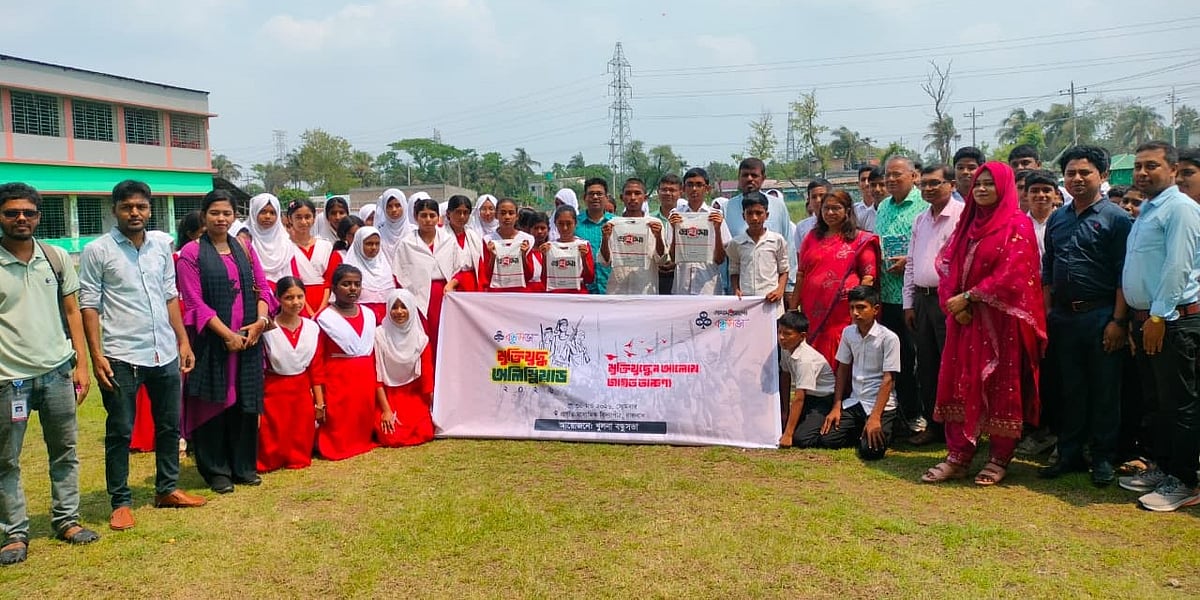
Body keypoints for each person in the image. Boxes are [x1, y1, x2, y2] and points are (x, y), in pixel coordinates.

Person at [79, 180, 206, 532]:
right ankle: (120, 502)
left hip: (163, 350)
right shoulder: (97, 251)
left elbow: (169, 296)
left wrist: (182, 341)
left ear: (150, 209)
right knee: (120, 430)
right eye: (127, 207)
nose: (135, 213)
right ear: (114, 210)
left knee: (169, 426)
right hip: (121, 354)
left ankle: (167, 489)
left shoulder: (160, 247)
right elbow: (88, 304)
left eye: (141, 207)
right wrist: (96, 354)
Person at [921, 162, 1047, 486]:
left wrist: (972, 297)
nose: (981, 190)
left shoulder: (1017, 224)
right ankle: (958, 455)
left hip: (1000, 323)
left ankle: (999, 456)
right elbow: (948, 264)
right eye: (978, 184)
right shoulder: (968, 222)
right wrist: (955, 304)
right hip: (963, 322)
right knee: (959, 382)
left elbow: (1015, 273)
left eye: (989, 184)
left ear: (1004, 187)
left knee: (1001, 386)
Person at [0, 182, 99, 565]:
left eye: (28, 212)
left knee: (66, 451)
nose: (21, 218)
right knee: (6, 459)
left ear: (39, 216)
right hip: (10, 381)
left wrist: (82, 363)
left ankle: (67, 520)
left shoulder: (55, 258)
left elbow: (73, 312)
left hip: (57, 373)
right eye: (12, 212)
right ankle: (14, 533)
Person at [1037, 146, 1132, 487]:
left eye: (1085, 172)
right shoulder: (1059, 218)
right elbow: (1048, 269)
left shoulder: (1117, 219)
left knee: (1105, 390)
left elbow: (1125, 273)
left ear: (1103, 176)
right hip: (1064, 317)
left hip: (1102, 315)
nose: (1076, 179)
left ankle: (1103, 457)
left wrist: (1118, 322)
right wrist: (1049, 313)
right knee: (1070, 389)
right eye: (1071, 173)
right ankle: (1069, 453)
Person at [1118, 141, 1200, 512]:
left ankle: (1183, 480)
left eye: (1151, 165)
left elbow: (1177, 267)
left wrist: (1157, 316)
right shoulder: (1148, 209)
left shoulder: (1180, 209)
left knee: (1179, 404)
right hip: (1147, 320)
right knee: (1156, 402)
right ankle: (1164, 467)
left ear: (1172, 169)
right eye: (1137, 166)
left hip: (1171, 320)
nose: (1141, 173)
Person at [177, 189, 274, 495]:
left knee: (245, 404)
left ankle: (243, 466)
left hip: (248, 341)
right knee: (213, 404)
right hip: (213, 342)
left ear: (235, 216)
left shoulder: (244, 248)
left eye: (227, 213)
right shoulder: (191, 253)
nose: (221, 219)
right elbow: (194, 302)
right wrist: (227, 334)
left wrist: (259, 322)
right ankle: (216, 470)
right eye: (215, 213)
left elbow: (263, 289)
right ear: (204, 215)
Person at [902, 165, 965, 446]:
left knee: (952, 365)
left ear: (951, 185)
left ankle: (959, 429)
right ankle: (934, 426)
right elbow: (912, 262)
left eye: (934, 183)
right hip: (923, 300)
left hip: (949, 301)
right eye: (924, 184)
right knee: (926, 366)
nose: (927, 188)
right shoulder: (920, 220)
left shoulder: (962, 217)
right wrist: (908, 303)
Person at [790, 190, 880, 371]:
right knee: (812, 362)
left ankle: (841, 397)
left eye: (836, 208)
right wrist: (792, 309)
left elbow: (868, 278)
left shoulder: (860, 239)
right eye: (826, 208)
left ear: (847, 210)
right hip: (812, 312)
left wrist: (858, 309)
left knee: (842, 359)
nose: (830, 213)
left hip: (844, 315)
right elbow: (801, 275)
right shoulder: (811, 237)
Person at [871, 156, 927, 436]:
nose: (890, 180)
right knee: (899, 358)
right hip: (889, 296)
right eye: (887, 176)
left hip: (918, 295)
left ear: (914, 176)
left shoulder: (924, 204)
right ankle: (909, 415)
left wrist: (910, 259)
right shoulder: (882, 206)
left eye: (897, 175)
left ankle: (927, 415)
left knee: (924, 359)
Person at [821, 286, 901, 460]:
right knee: (827, 439)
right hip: (856, 401)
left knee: (871, 452)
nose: (855, 313)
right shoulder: (848, 333)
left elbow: (888, 380)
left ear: (875, 310)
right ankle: (861, 430)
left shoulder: (889, 338)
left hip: (880, 405)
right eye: (852, 308)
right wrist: (836, 406)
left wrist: (875, 418)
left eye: (861, 307)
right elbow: (842, 369)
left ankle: (883, 427)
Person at [394, 197, 461, 392]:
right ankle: (426, 386)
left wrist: (452, 283)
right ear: (415, 217)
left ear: (438, 217)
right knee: (423, 342)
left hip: (444, 295)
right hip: (418, 299)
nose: (428, 220)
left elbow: (460, 268)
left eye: (432, 215)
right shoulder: (407, 243)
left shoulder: (448, 240)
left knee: (445, 340)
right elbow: (399, 273)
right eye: (423, 215)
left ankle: (447, 385)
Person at [257, 277, 322, 473]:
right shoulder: (268, 329)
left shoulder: (312, 328)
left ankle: (297, 456)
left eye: (300, 296)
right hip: (274, 389)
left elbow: (316, 368)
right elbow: (260, 368)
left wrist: (319, 403)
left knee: (299, 431)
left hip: (301, 389)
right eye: (289, 297)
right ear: (278, 299)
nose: (296, 302)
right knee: (274, 430)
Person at [315, 265, 380, 461]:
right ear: (334, 288)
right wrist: (319, 398)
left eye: (357, 284)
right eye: (346, 284)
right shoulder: (324, 318)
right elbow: (317, 359)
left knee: (362, 414)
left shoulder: (369, 314)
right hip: (338, 376)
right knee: (340, 419)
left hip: (365, 375)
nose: (352, 289)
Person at [373, 289, 434, 447]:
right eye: (394, 307)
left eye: (404, 306)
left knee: (425, 432)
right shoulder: (379, 336)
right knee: (391, 437)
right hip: (388, 397)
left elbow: (427, 378)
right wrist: (386, 410)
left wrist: (433, 409)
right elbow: (377, 377)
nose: (399, 312)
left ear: (411, 309)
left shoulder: (421, 340)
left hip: (413, 395)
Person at [777, 311, 838, 448]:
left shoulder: (806, 360)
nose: (781, 337)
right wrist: (785, 410)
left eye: (787, 334)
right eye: (779, 332)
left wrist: (788, 434)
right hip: (808, 398)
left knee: (801, 438)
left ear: (802, 336)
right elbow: (785, 375)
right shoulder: (786, 348)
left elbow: (799, 397)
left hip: (823, 399)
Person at [668, 167, 730, 295]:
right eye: (690, 185)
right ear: (684, 189)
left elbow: (720, 260)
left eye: (699, 185)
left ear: (707, 189)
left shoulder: (716, 216)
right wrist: (675, 229)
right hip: (682, 287)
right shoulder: (676, 216)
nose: (694, 189)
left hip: (708, 287)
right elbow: (673, 258)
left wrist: (717, 230)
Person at [600, 178, 665, 295]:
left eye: (637, 193)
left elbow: (661, 260)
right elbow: (605, 261)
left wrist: (658, 236)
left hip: (645, 291)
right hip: (617, 291)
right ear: (621, 197)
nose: (633, 197)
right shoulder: (612, 224)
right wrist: (605, 239)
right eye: (628, 193)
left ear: (645, 198)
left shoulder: (655, 224)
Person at [728, 192, 788, 313]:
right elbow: (734, 270)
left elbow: (784, 270)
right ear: (743, 216)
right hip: (747, 302)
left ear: (767, 215)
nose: (754, 218)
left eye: (759, 213)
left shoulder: (777, 240)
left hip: (771, 300)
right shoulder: (736, 243)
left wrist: (780, 290)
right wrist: (736, 289)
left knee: (772, 331)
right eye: (749, 213)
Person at [286, 198, 341, 318]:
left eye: (307, 217)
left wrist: (321, 309)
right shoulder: (285, 247)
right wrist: (307, 310)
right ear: (290, 219)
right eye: (298, 217)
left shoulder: (326, 245)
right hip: (295, 302)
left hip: (325, 301)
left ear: (314, 218)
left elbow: (329, 280)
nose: (303, 221)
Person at [342, 226, 396, 323]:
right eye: (369, 244)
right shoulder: (349, 269)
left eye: (377, 244)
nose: (374, 248)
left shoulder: (386, 267)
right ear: (359, 244)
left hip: (386, 322)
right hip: (359, 320)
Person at [480, 197, 535, 292]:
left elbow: (529, 275)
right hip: (497, 292)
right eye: (503, 213)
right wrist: (492, 257)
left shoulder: (526, 239)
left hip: (519, 292)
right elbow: (486, 275)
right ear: (496, 215)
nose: (507, 217)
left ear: (517, 216)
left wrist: (523, 255)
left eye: (511, 213)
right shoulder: (488, 240)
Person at [538, 205, 595, 294]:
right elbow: (544, 280)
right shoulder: (549, 247)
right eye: (560, 223)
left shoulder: (583, 245)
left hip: (577, 295)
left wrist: (583, 258)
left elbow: (589, 279)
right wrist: (545, 257)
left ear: (575, 223)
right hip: (556, 295)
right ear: (555, 224)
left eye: (569, 223)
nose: (565, 228)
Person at [575, 178, 616, 294]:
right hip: (583, 289)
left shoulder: (616, 223)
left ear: (606, 198)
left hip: (611, 287)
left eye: (599, 194)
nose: (595, 197)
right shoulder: (575, 224)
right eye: (591, 194)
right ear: (584, 198)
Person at [247, 193, 293, 287]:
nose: (268, 216)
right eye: (263, 212)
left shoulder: (285, 242)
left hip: (282, 294)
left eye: (272, 213)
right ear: (254, 212)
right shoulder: (245, 238)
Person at [444, 195, 484, 292]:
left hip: (471, 284)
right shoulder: (441, 236)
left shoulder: (473, 236)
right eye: (458, 212)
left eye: (465, 213)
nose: (462, 216)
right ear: (448, 213)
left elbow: (480, 264)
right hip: (449, 283)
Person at [655, 174, 682, 295]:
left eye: (672, 190)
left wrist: (675, 262)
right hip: (655, 276)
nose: (667, 193)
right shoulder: (649, 219)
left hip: (680, 276)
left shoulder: (686, 218)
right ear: (658, 192)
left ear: (680, 193)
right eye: (664, 189)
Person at [1025, 170, 1058, 257]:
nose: (1040, 195)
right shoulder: (1017, 225)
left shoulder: (1064, 222)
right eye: (1034, 191)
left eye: (1046, 190)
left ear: (1056, 194)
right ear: (1026, 195)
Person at [790, 178, 829, 252]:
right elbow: (799, 255)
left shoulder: (841, 224)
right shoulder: (802, 227)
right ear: (809, 200)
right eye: (814, 197)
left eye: (822, 195)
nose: (818, 200)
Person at [376, 188, 412, 259]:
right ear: (384, 208)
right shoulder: (378, 231)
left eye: (398, 205)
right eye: (389, 206)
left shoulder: (414, 231)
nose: (394, 210)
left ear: (404, 206)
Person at [854, 165, 878, 231]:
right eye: (863, 180)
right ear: (858, 184)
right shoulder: (853, 211)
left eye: (870, 179)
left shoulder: (886, 209)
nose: (867, 183)